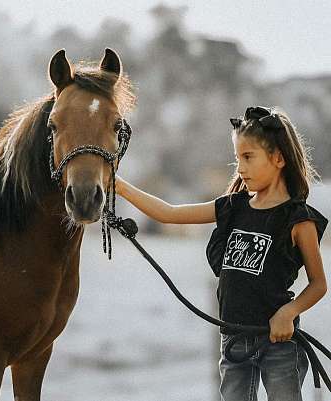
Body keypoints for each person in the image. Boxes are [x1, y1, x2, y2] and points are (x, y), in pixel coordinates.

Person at [116, 106, 327, 401]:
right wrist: (119, 186)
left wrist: (289, 312)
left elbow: (319, 284)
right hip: (233, 344)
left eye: (248, 157)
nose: (240, 168)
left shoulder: (298, 219)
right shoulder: (233, 207)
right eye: (238, 158)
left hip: (278, 344)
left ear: (279, 158)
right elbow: (169, 213)